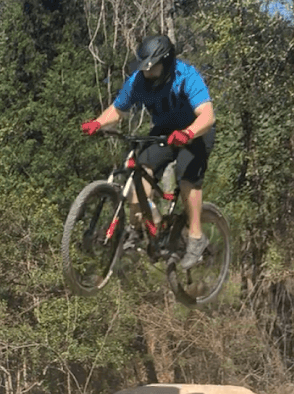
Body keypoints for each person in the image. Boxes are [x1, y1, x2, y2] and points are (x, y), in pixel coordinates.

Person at [80, 34, 216, 268]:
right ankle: (140, 229)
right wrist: (98, 122)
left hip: (194, 131)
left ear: (167, 62)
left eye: (152, 68)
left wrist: (188, 134)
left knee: (187, 178)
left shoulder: (186, 76)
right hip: (163, 132)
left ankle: (196, 238)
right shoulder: (139, 81)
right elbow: (118, 109)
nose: (147, 73)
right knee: (140, 169)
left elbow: (207, 116)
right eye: (144, 68)